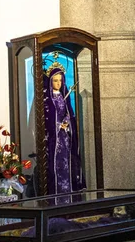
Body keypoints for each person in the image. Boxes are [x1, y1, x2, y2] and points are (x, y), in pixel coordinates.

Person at [44, 60, 85, 196]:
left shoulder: (63, 96)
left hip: (65, 138)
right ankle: (57, 192)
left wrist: (67, 123)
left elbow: (69, 113)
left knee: (68, 162)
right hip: (54, 139)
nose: (58, 83)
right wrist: (57, 125)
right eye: (55, 81)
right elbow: (46, 118)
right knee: (57, 165)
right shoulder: (48, 99)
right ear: (50, 81)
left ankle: (70, 190)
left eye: (60, 81)